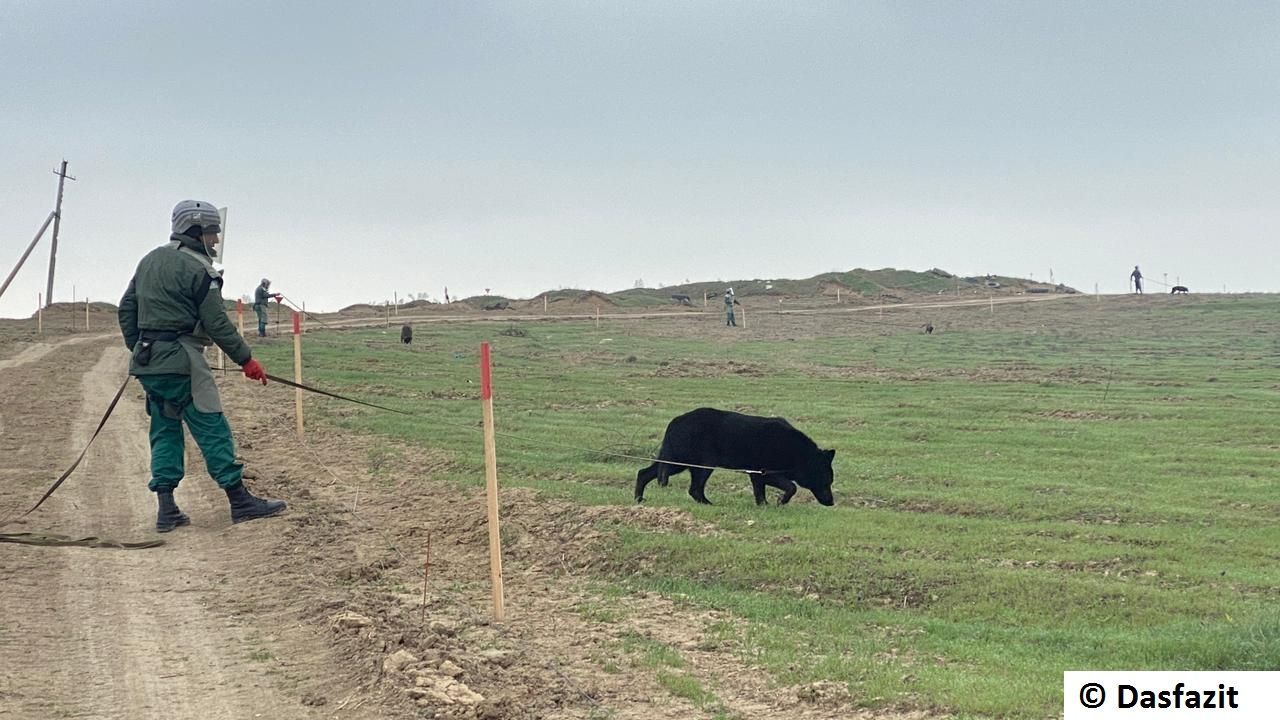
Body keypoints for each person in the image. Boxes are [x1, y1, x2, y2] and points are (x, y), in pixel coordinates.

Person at [118, 200, 286, 532]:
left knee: (164, 431)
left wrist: (140, 348)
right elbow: (217, 324)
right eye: (212, 234)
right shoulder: (201, 270)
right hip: (184, 361)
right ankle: (240, 502)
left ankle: (166, 510)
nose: (216, 241)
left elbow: (126, 310)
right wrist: (246, 359)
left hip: (149, 361)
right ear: (195, 231)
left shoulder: (148, 261)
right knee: (212, 427)